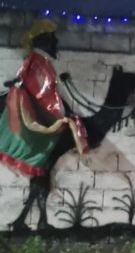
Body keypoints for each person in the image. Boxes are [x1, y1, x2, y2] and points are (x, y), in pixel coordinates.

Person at [0, 20, 88, 177]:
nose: (56, 42)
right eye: (52, 38)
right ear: (44, 40)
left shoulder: (41, 62)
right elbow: (43, 93)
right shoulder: (38, 63)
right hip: (35, 111)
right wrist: (62, 115)